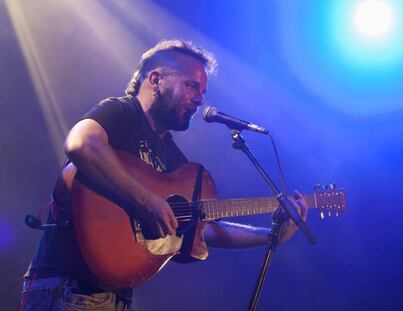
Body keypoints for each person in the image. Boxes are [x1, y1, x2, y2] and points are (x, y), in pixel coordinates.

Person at [22, 39, 308, 310]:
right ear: (156, 80)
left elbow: (203, 227)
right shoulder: (121, 112)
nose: (200, 100)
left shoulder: (172, 157)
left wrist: (270, 235)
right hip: (70, 288)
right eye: (191, 86)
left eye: (203, 92)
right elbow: (80, 143)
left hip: (112, 294)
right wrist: (145, 200)